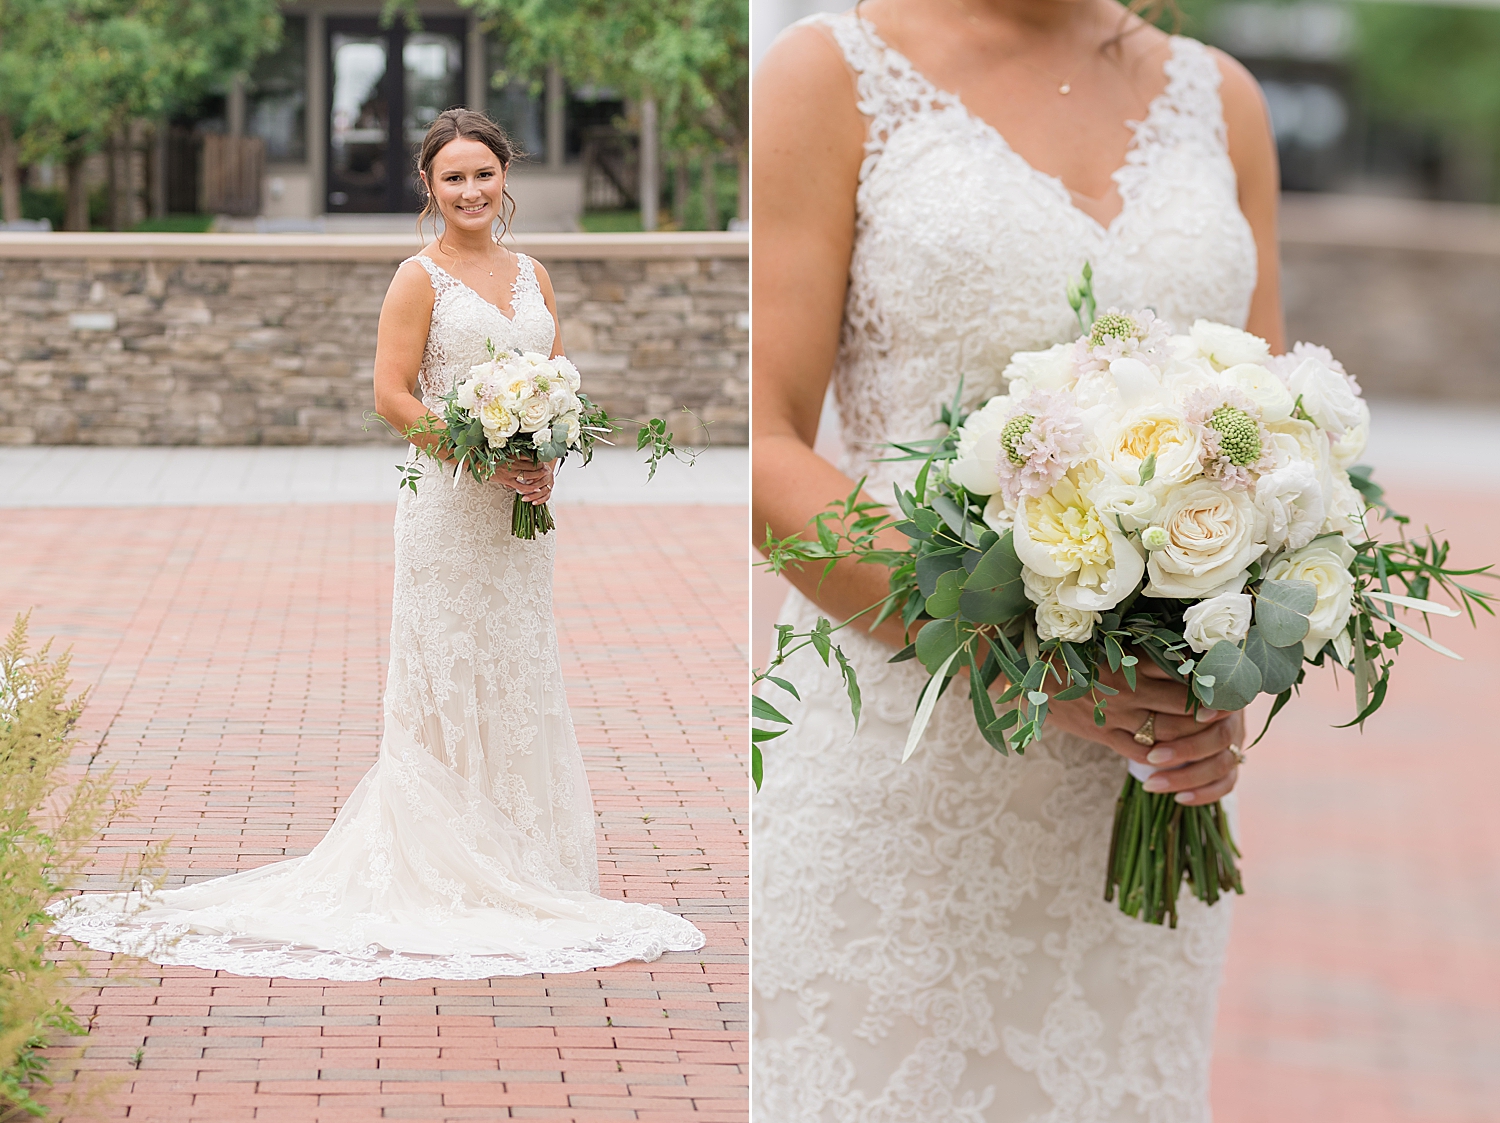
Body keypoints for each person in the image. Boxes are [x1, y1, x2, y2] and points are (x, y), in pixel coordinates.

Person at [752, 0, 1282, 1116]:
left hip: (1134, 810)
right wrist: (1014, 653)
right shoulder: (827, 74)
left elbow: (1278, 448)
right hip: (902, 768)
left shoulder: (1221, 102)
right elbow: (759, 450)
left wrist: (1236, 672)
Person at [50, 109, 704, 981]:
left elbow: (554, 387)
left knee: (515, 668)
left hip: (516, 523)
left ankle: (520, 859)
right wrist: (480, 454)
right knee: (446, 672)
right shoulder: (419, 278)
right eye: (453, 178)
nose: (471, 191)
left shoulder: (535, 274)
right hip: (446, 506)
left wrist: (541, 461)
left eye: (484, 174)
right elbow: (392, 395)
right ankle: (442, 860)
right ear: (429, 189)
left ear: (506, 176)